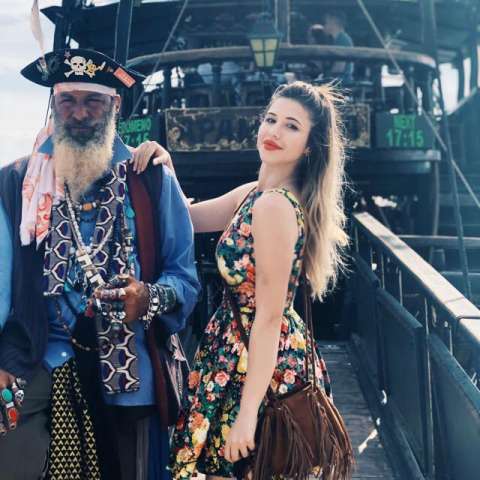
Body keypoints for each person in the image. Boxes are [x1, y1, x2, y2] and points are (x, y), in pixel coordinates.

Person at [0, 48, 200, 480]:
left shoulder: (150, 177)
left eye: (92, 101)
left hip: (129, 379)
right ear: (54, 105)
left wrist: (148, 297)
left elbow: (185, 279)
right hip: (42, 366)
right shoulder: (18, 181)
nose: (78, 114)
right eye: (67, 101)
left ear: (115, 106)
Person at [133, 80, 349, 479]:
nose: (274, 132)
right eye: (271, 119)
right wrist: (167, 168)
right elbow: (186, 219)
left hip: (257, 360)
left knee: (244, 465)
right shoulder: (254, 194)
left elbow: (268, 317)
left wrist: (247, 415)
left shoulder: (273, 207)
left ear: (310, 146)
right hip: (237, 349)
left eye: (292, 126)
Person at [323, 10, 354, 82]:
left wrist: (324, 75)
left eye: (326, 23)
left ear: (333, 23)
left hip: (342, 82)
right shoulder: (337, 39)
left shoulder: (342, 39)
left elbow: (339, 68)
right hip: (338, 80)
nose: (324, 26)